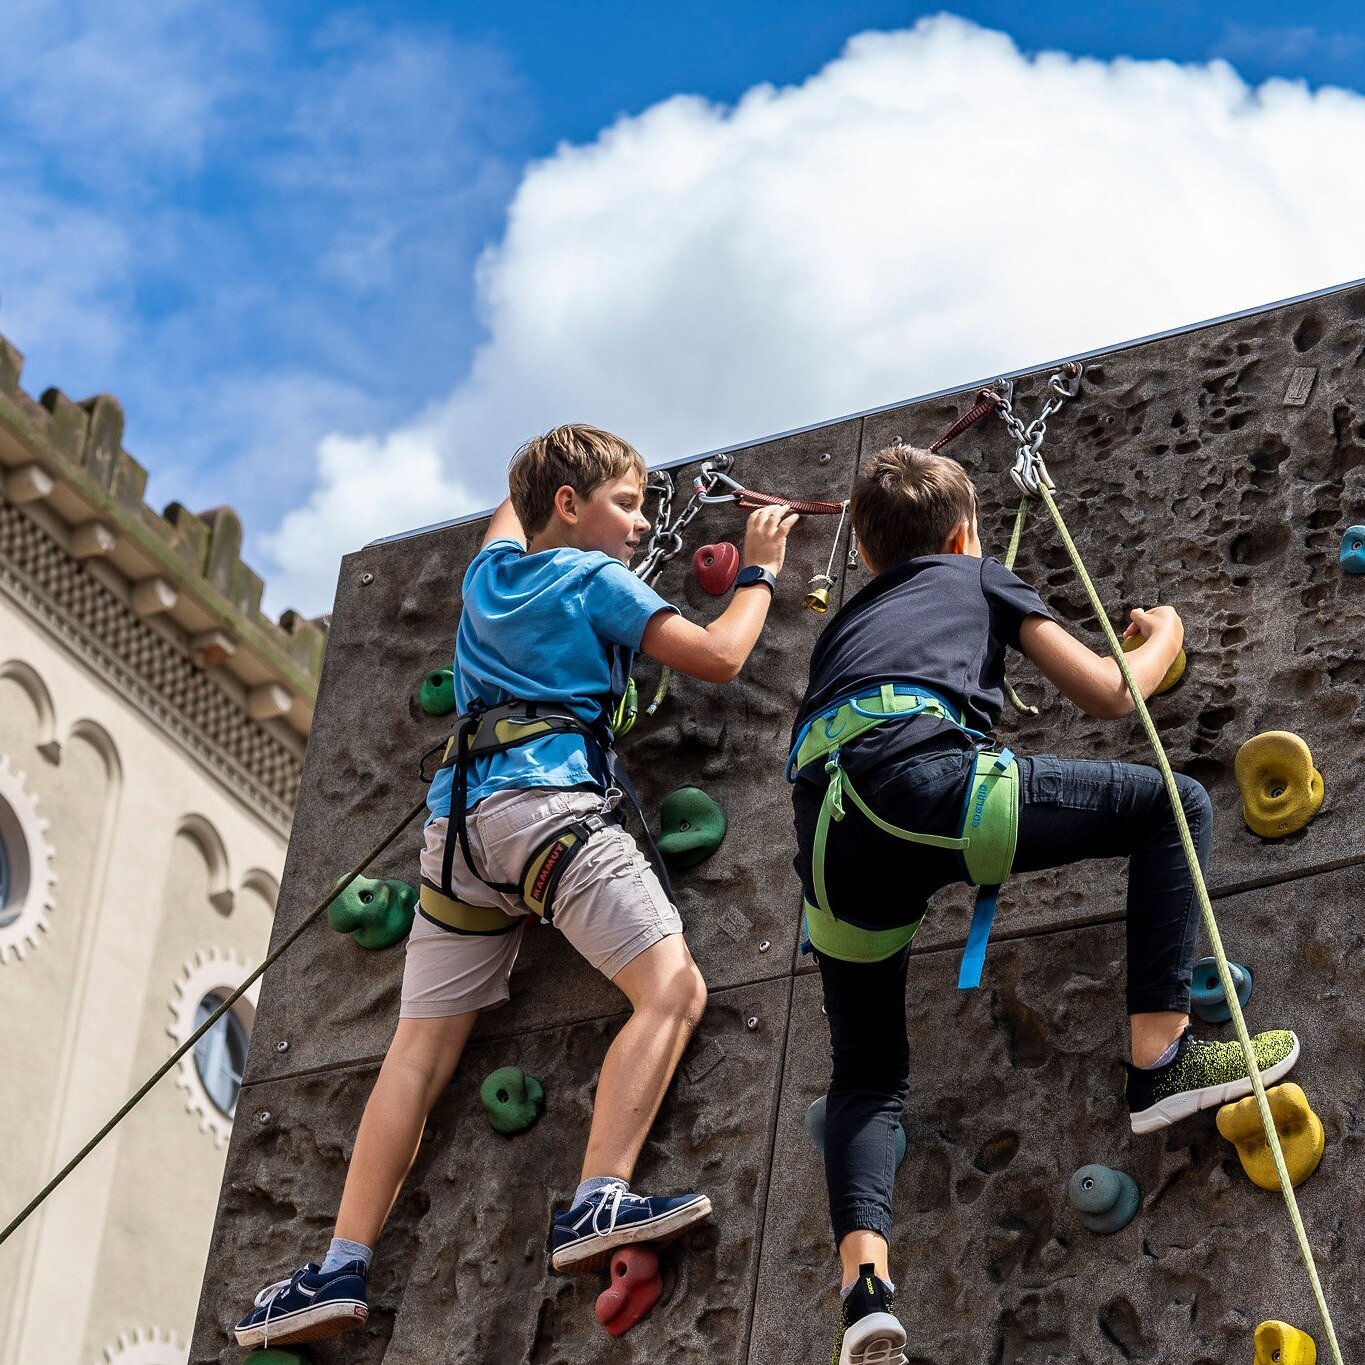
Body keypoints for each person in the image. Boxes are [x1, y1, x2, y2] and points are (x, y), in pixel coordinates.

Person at [234, 424, 797, 1349]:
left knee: (417, 1053)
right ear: (569, 508)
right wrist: (760, 570)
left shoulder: (488, 577)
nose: (640, 524)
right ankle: (596, 1200)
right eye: (625, 503)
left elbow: (511, 513)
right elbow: (719, 656)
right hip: (548, 812)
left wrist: (550, 478)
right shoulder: (592, 580)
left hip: (455, 839)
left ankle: (337, 1267)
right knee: (672, 989)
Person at [788, 445, 1300, 1365]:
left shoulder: (844, 626)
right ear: (960, 532)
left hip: (828, 839)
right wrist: (1164, 638)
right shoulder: (976, 573)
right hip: (921, 782)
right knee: (1171, 806)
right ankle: (1161, 1060)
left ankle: (864, 1291)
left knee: (865, 1077)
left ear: (864, 558)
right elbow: (1106, 691)